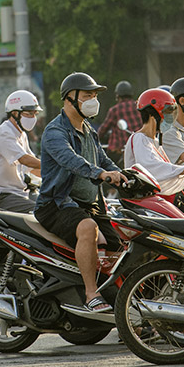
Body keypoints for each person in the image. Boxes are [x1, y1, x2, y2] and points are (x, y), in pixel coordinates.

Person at [36, 72, 126, 314]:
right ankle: (91, 294)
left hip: (89, 205)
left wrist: (125, 175)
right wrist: (100, 174)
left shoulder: (89, 129)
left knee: (121, 245)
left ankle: (124, 304)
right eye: (87, 95)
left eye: (94, 96)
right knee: (88, 228)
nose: (93, 100)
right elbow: (71, 160)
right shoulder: (55, 132)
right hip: (57, 205)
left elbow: (104, 160)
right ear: (70, 98)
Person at [0, 90, 43, 212]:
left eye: (35, 113)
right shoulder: (4, 133)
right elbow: (25, 159)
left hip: (17, 195)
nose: (33, 118)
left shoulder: (21, 134)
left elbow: (33, 168)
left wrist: (57, 175)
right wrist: (53, 163)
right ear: (15, 113)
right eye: (29, 113)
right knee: (41, 213)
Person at [123, 88, 184, 198]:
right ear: (152, 114)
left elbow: (165, 171)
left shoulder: (154, 140)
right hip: (142, 201)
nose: (170, 117)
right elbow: (151, 167)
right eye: (167, 112)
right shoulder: (139, 138)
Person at [97, 80, 141, 165]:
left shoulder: (115, 110)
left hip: (119, 150)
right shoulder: (138, 106)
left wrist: (95, 139)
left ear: (117, 95)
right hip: (138, 146)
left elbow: (103, 129)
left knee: (105, 165)